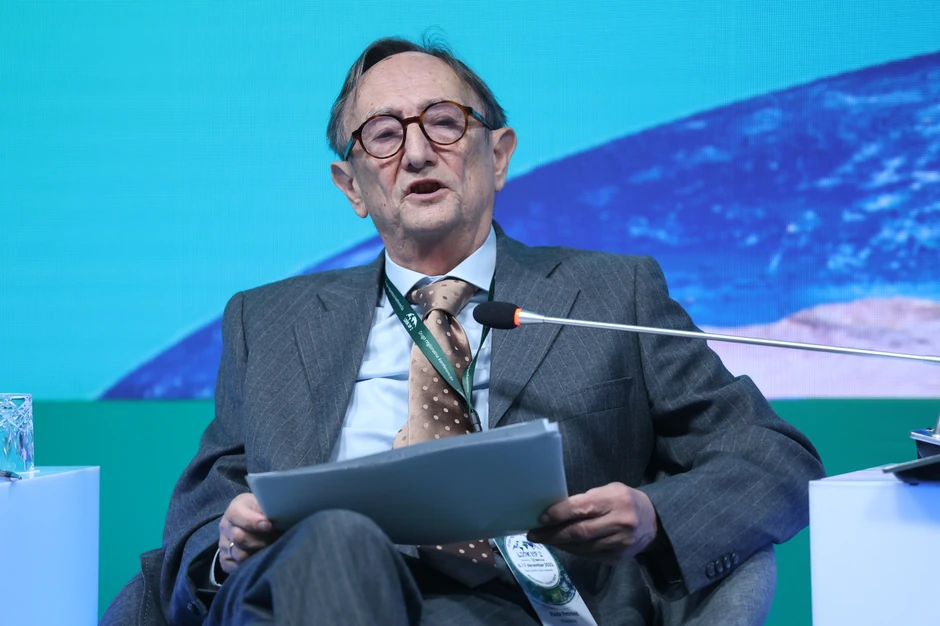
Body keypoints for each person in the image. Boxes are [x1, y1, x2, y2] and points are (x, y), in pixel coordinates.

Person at [103, 36, 824, 626]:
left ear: (498, 155)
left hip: (516, 606)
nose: (417, 154)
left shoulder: (611, 292)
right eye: (383, 136)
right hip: (299, 594)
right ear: (352, 187)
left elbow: (776, 458)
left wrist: (651, 515)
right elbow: (200, 520)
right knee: (337, 539)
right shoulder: (268, 322)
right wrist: (224, 550)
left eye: (444, 123)